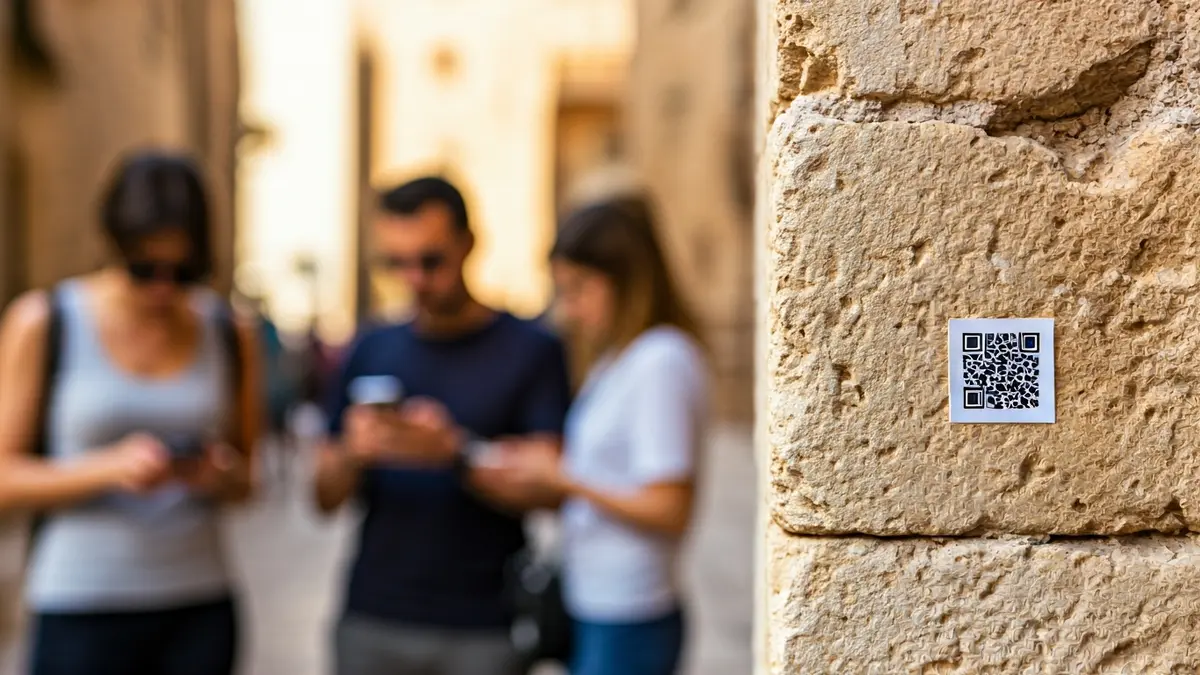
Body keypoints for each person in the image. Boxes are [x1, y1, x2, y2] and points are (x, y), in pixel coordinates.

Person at [0, 152, 261, 675]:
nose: (163, 287)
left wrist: (217, 473)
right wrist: (110, 468)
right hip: (81, 603)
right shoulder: (46, 320)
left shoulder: (229, 330)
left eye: (182, 273)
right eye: (144, 270)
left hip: (198, 603)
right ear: (115, 247)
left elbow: (248, 480)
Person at [313, 176, 572, 675]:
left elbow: (551, 486)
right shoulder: (371, 346)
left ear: (468, 244)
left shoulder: (531, 349)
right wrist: (353, 451)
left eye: (431, 261)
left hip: (484, 624)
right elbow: (322, 496)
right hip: (373, 616)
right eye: (396, 263)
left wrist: (454, 451)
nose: (414, 279)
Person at [502, 197, 708, 675]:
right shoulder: (618, 359)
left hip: (630, 609)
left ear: (624, 281)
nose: (568, 310)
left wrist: (562, 478)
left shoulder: (661, 360)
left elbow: (669, 506)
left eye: (578, 289)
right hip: (597, 600)